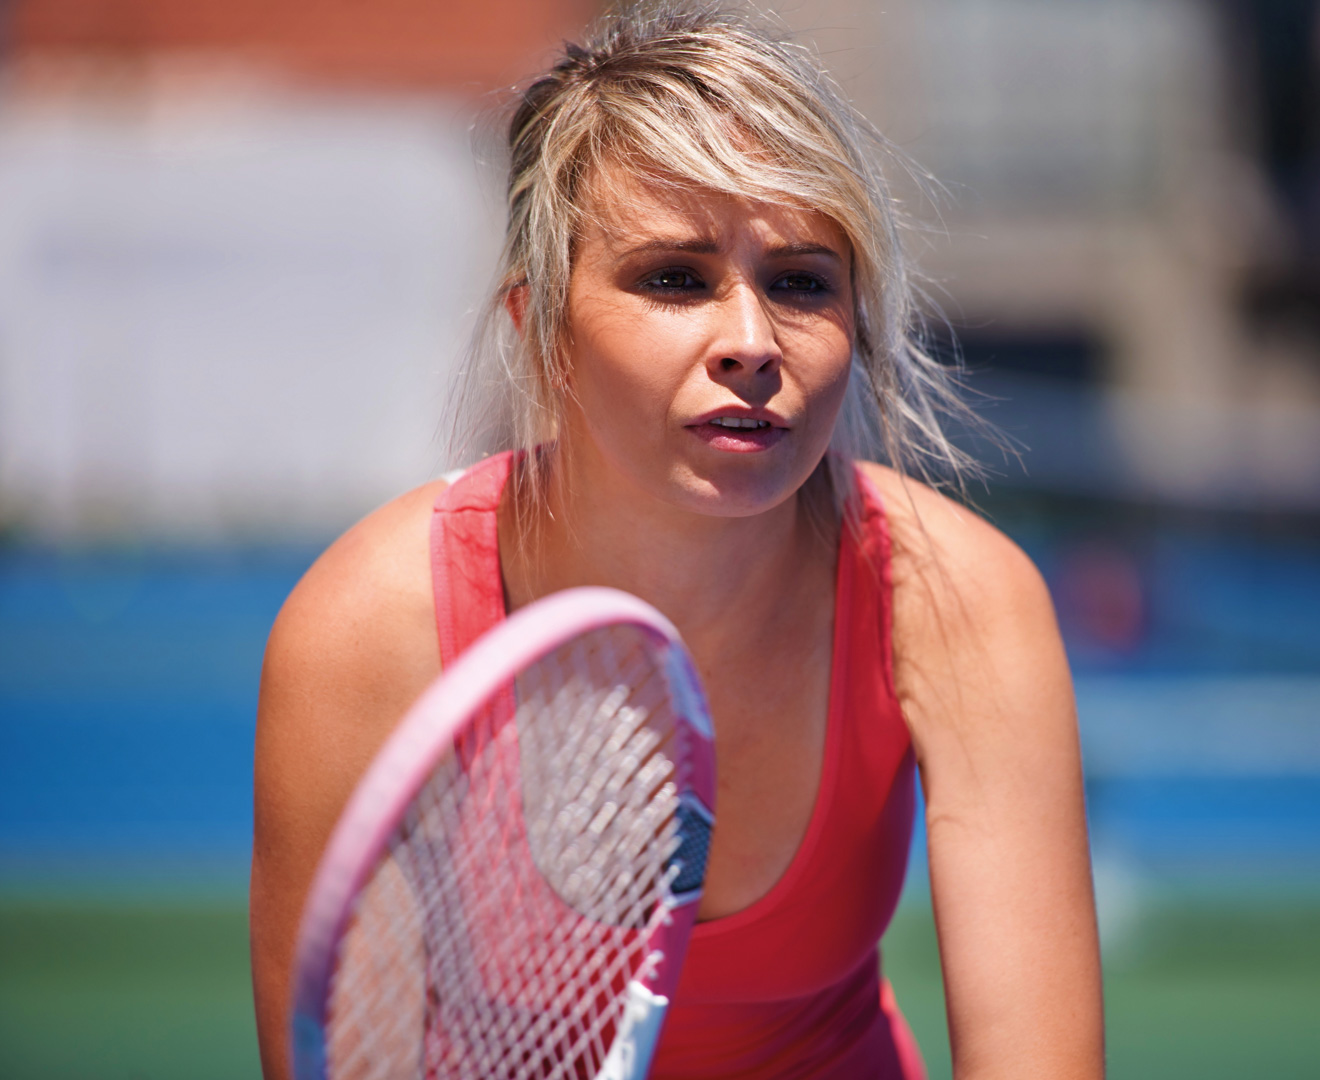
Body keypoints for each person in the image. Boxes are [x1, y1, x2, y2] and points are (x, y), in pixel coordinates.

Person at [250, 6, 1104, 1078]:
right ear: (540, 329)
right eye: (674, 279)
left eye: (800, 282)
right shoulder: (366, 631)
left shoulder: (959, 598)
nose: (751, 342)